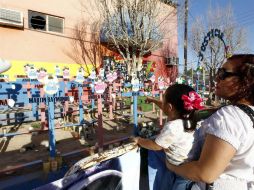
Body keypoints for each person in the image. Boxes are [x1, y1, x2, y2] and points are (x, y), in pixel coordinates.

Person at [166, 54, 254, 190]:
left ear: (245, 81)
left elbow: (205, 173)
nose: (216, 78)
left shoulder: (230, 116)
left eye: (223, 73)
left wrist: (172, 166)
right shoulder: (247, 113)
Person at [133, 83, 204, 190]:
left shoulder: (173, 126)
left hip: (181, 170)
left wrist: (139, 140)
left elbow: (156, 145)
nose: (162, 103)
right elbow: (165, 107)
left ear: (170, 107)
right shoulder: (189, 119)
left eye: (164, 100)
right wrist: (153, 100)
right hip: (188, 164)